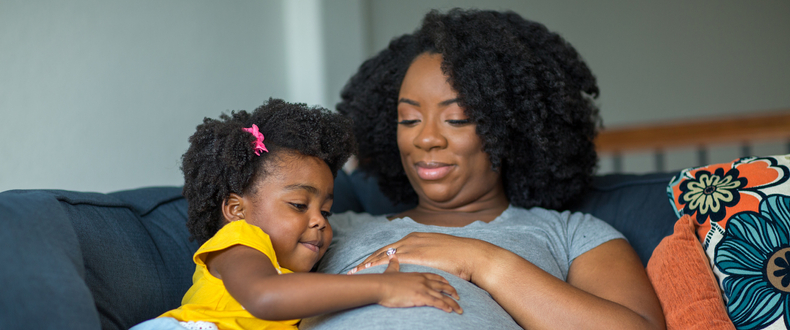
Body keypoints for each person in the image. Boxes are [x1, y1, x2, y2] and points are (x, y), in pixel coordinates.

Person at [300, 9, 665, 330]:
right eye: (409, 120)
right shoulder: (327, 229)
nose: (426, 139)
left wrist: (480, 261)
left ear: (509, 127)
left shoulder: (573, 235)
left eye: (456, 120)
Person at [130, 98, 462, 330]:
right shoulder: (240, 242)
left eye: (327, 212)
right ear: (236, 210)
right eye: (299, 205)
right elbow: (265, 297)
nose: (319, 220)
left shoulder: (292, 280)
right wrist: (381, 287)